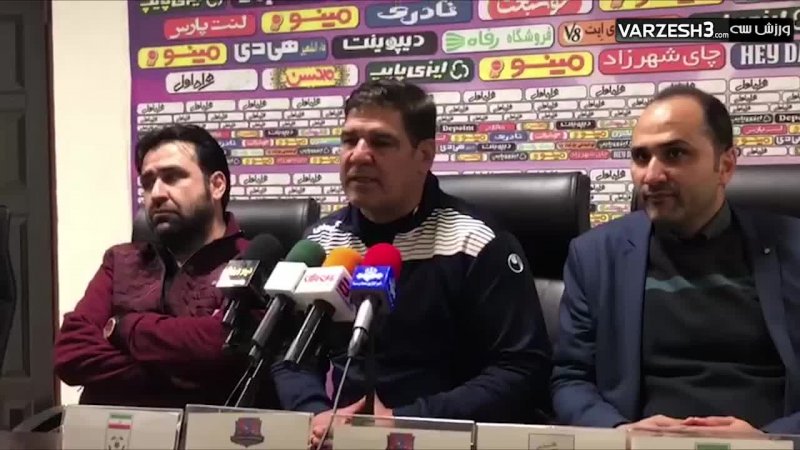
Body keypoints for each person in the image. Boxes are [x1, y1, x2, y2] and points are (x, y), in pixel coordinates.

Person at [271, 79, 552, 445]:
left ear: (424, 156)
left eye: (381, 142)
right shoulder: (321, 244)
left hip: (442, 436)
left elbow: (522, 368)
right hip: (334, 436)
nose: (358, 155)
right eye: (349, 140)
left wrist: (408, 419)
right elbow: (288, 353)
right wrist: (316, 411)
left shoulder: (476, 241)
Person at [551, 85, 800, 434]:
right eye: (641, 157)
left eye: (675, 153)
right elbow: (570, 379)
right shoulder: (596, 256)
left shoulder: (792, 247)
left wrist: (772, 439)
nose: (651, 176)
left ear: (725, 165)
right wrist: (619, 431)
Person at [54, 124, 278, 408]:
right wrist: (181, 375)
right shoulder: (121, 261)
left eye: (172, 177)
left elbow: (227, 348)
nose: (157, 193)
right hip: (113, 430)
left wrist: (124, 327)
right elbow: (71, 352)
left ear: (216, 185)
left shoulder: (254, 260)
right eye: (148, 183)